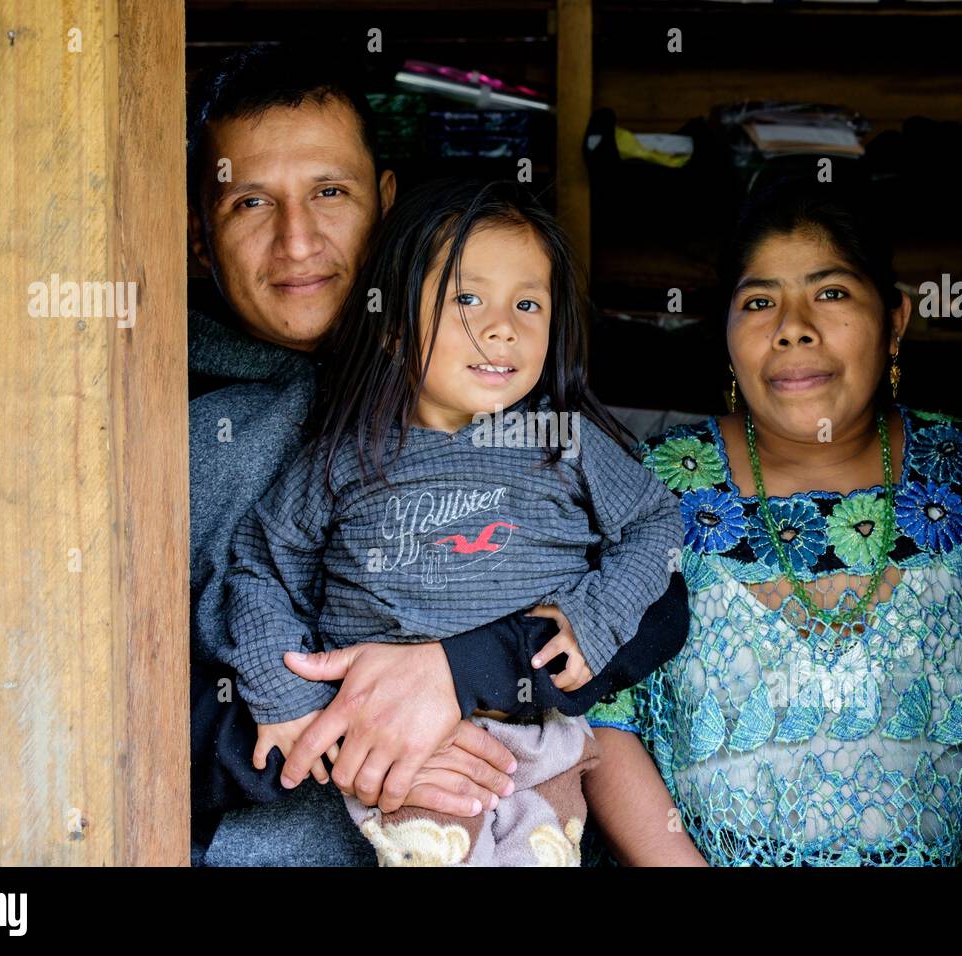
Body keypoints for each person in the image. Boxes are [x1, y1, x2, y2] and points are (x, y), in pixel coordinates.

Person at [186, 45, 689, 865]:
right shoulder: (155, 434)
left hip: (519, 809)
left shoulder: (505, 402)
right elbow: (99, 707)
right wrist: (345, 728)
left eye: (330, 192)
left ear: (385, 203)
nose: (298, 238)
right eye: (249, 201)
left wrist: (463, 672)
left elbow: (659, 603)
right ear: (199, 234)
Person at [583, 178, 962, 866]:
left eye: (830, 293)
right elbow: (603, 721)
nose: (793, 325)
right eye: (759, 302)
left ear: (896, 319)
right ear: (728, 336)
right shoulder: (657, 485)